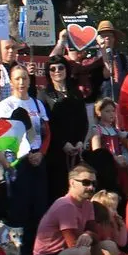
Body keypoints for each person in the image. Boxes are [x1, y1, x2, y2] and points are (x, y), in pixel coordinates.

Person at [0, 66, 50, 240]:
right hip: (17, 159)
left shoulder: (37, 103)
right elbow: (0, 137)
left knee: (39, 204)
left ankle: (36, 244)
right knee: (19, 205)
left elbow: (47, 131)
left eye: (24, 78)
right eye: (17, 78)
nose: (21, 82)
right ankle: (19, 249)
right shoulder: (4, 106)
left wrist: (41, 153)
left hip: (37, 157)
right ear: (11, 81)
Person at [40, 56, 88, 202]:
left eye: (60, 67)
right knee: (58, 190)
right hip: (55, 151)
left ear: (66, 69)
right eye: (52, 69)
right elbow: (48, 125)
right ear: (48, 73)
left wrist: (80, 141)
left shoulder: (76, 93)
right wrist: (63, 144)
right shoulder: (44, 95)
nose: (57, 71)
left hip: (76, 149)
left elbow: (83, 121)